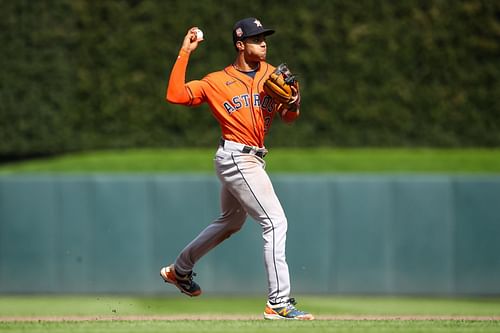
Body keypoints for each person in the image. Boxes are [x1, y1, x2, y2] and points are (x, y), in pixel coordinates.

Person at [161, 17, 314, 321]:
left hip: (253, 158)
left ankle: (180, 270)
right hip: (236, 156)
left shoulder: (273, 76)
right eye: (256, 39)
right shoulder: (216, 81)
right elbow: (175, 95)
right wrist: (185, 52)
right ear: (241, 45)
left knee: (231, 222)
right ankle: (279, 301)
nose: (263, 43)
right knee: (275, 221)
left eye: (264, 38)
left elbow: (288, 117)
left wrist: (295, 103)